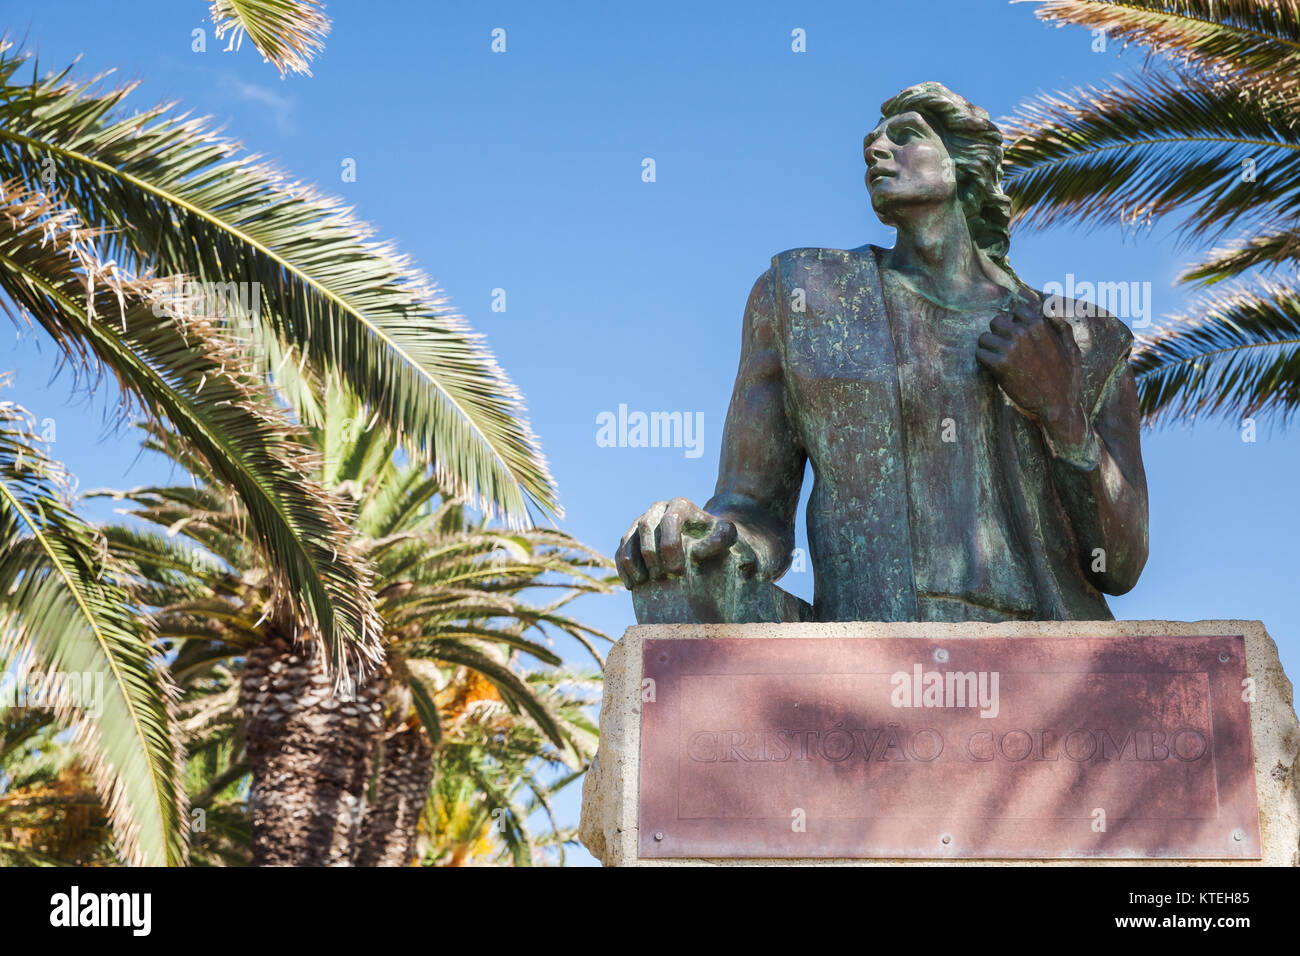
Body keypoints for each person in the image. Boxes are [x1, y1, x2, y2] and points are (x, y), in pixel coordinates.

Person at [616, 82, 1148, 623]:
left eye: (906, 136)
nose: (875, 149)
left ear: (964, 163)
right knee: (676, 606)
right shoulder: (805, 297)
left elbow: (1121, 564)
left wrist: (1061, 411)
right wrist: (699, 538)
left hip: (1045, 659)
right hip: (873, 653)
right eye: (870, 141)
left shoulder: (1083, 337)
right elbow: (753, 509)